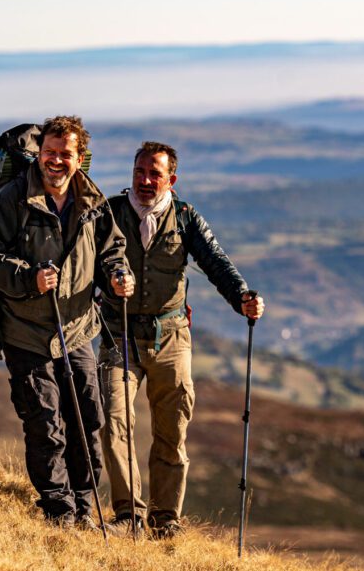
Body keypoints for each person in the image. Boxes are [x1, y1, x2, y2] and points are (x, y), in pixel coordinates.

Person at [0, 115, 134, 529]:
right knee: (44, 422)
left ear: (81, 158)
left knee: (86, 416)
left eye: (65, 154)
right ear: (39, 154)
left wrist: (117, 274)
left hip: (77, 329)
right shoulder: (11, 199)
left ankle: (85, 503)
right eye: (49, 153)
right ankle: (58, 509)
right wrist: (28, 278)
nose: (55, 161)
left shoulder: (92, 202)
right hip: (25, 331)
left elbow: (111, 249)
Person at [99, 141, 264, 539]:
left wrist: (242, 296)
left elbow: (215, 261)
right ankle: (128, 515)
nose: (144, 180)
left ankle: (164, 519)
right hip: (118, 334)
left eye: (154, 173)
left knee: (172, 429)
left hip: (171, 336)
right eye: (139, 171)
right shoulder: (109, 214)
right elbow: (90, 257)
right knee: (112, 422)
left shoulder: (186, 217)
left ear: (171, 179)